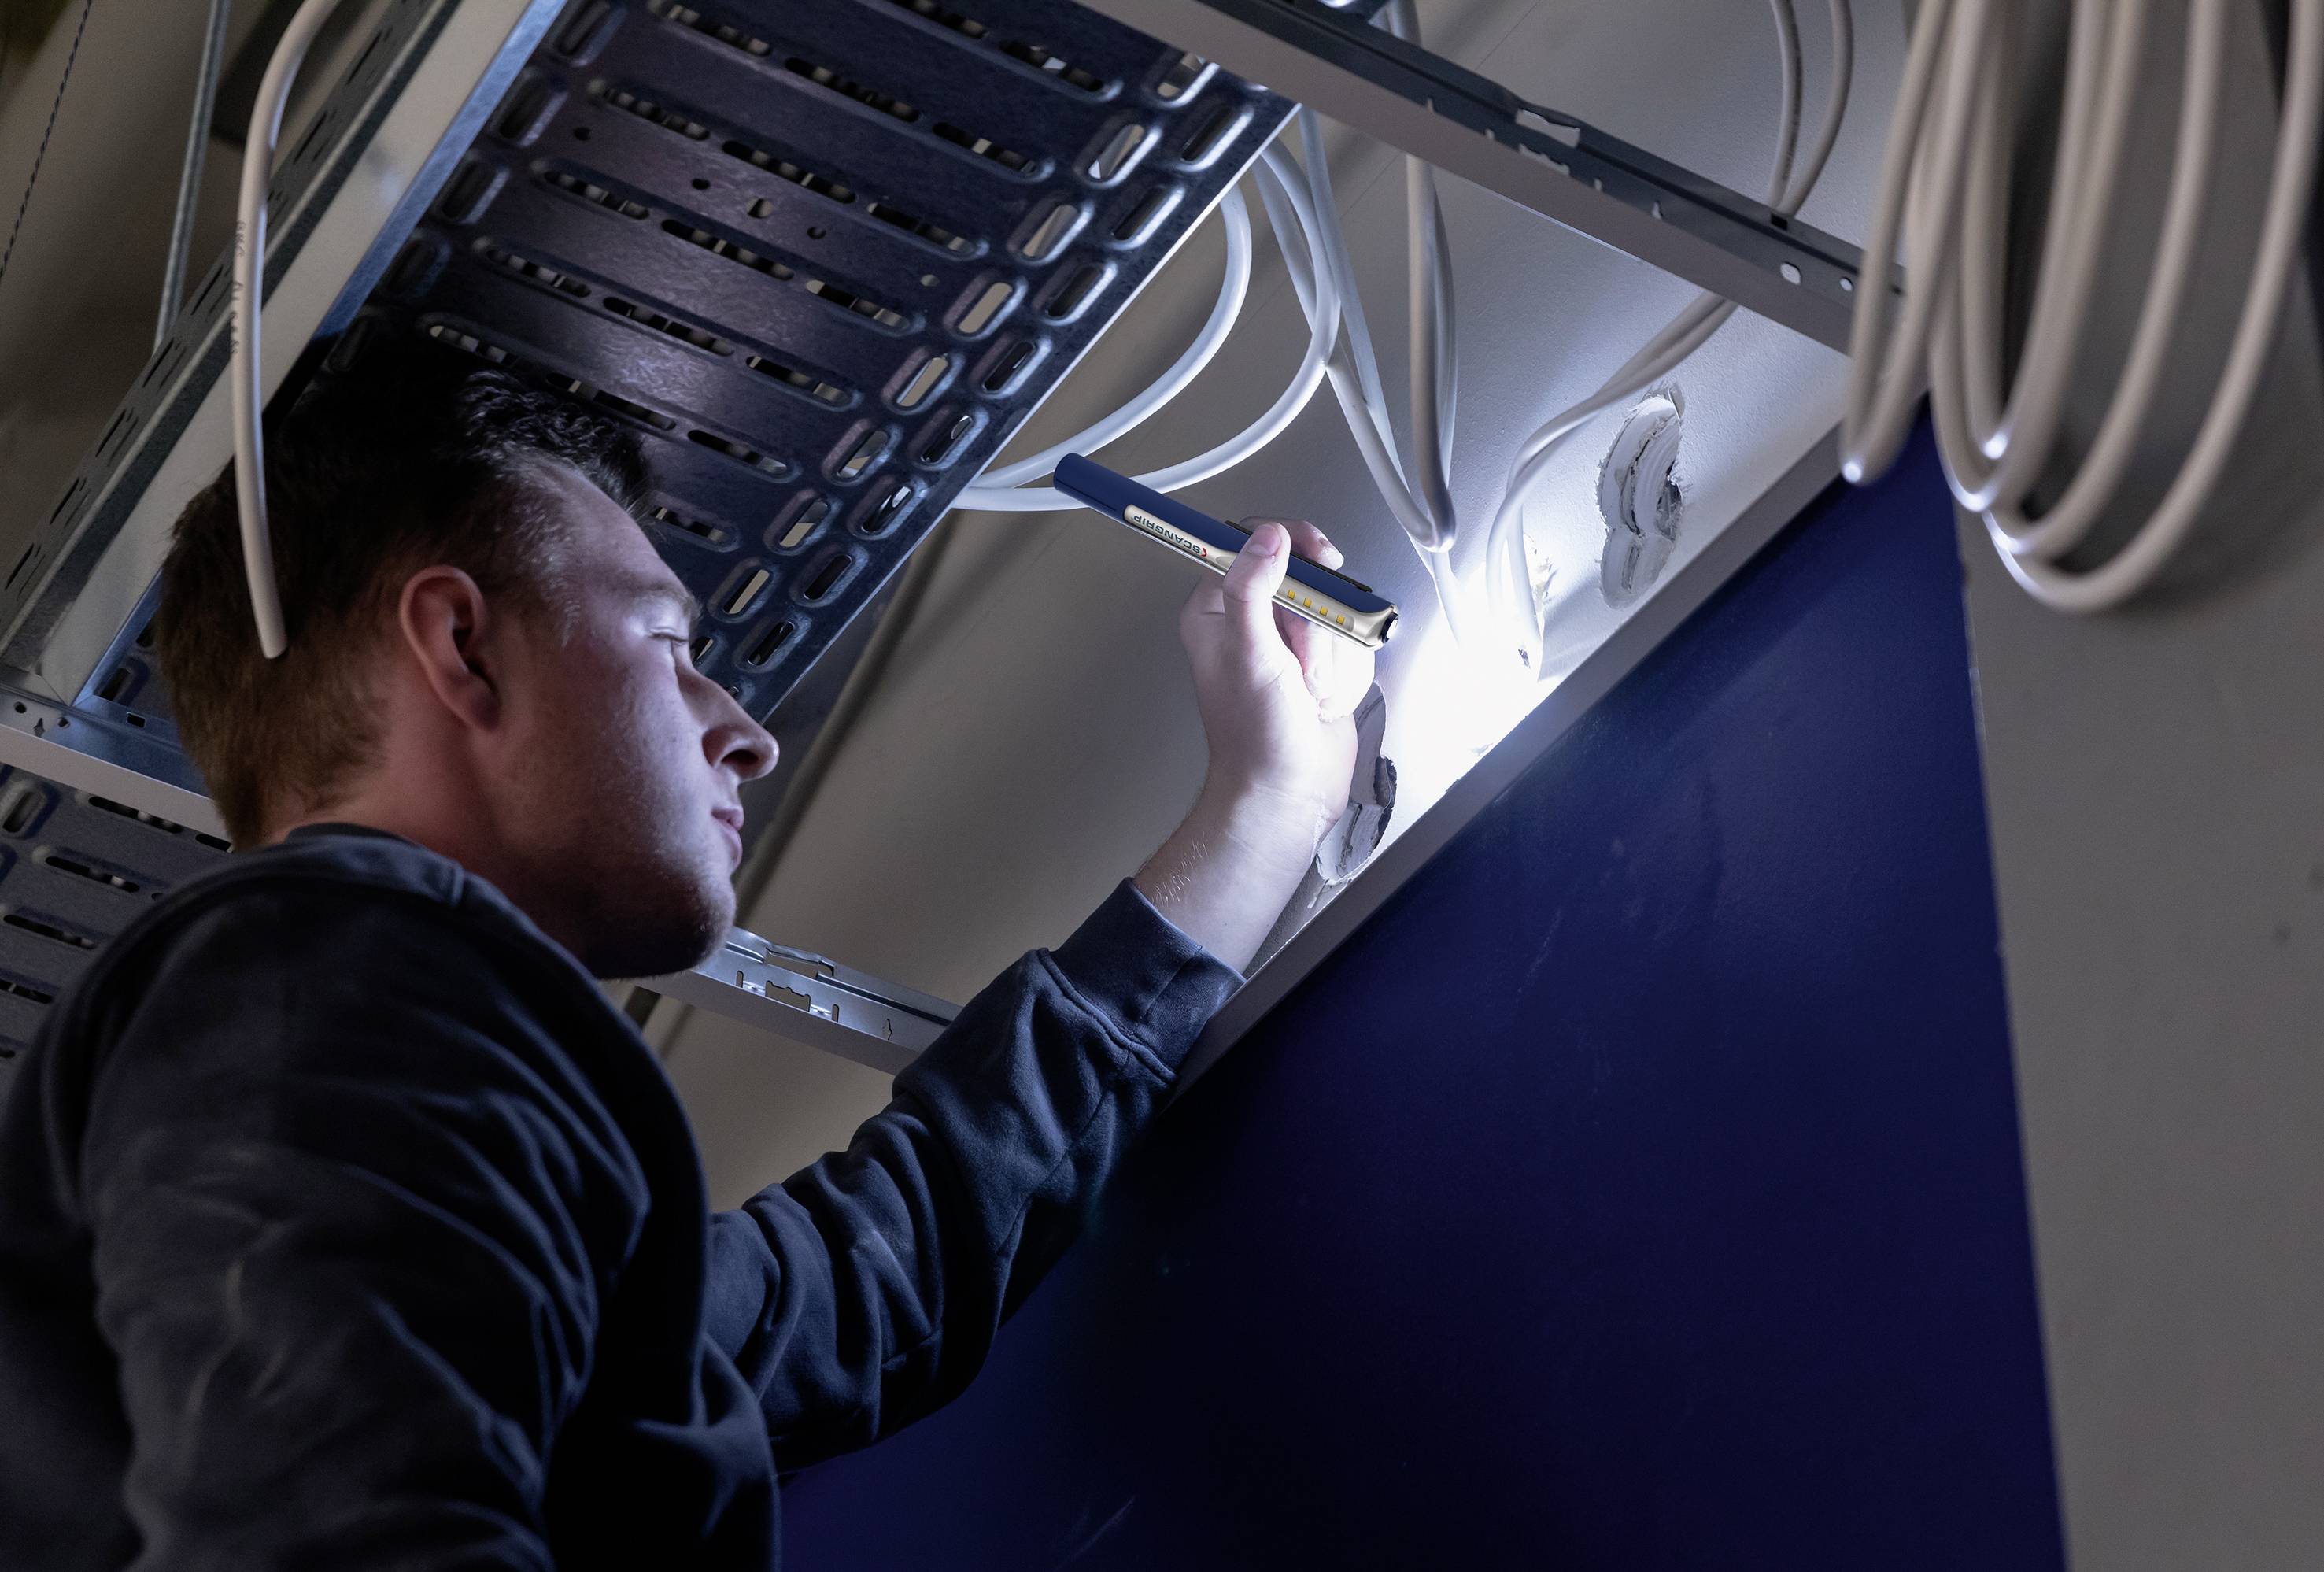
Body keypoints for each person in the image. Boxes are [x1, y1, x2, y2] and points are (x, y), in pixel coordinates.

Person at [0, 348, 1373, 1569]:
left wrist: (1260, 809)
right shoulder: (318, 975)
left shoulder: (416, 1133)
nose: (745, 733)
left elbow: (872, 1281)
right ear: (460, 643)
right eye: (670, 646)